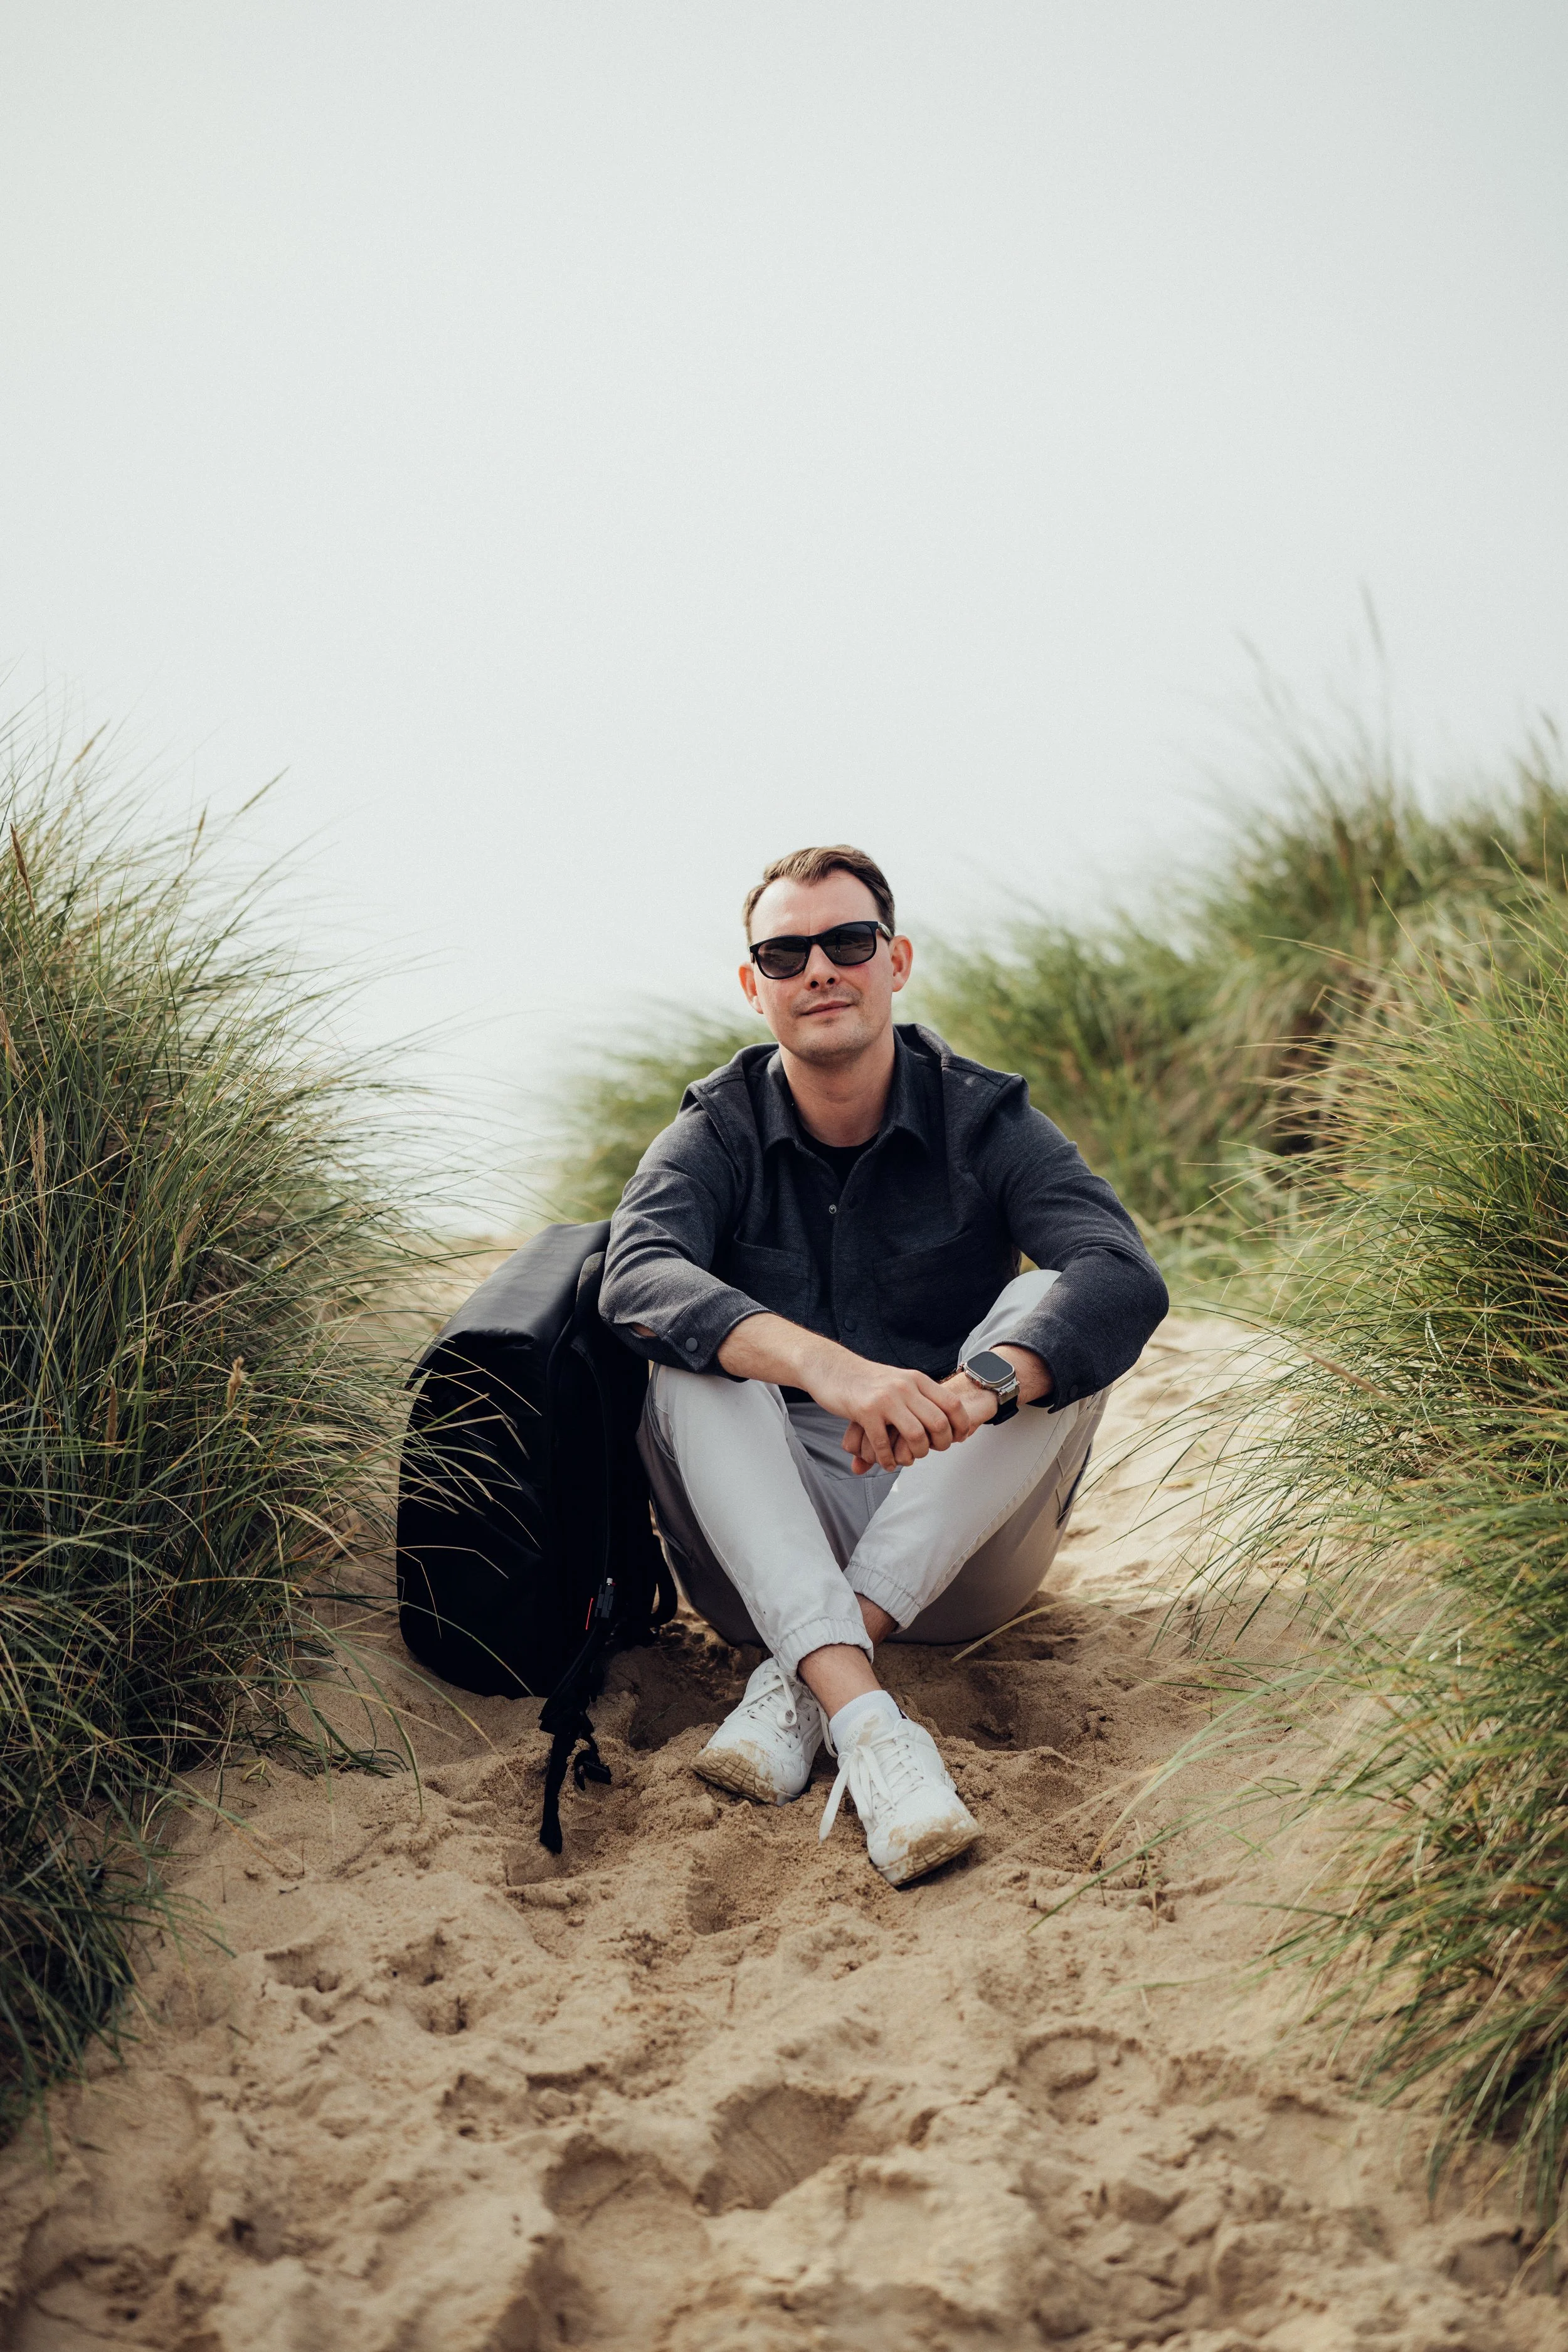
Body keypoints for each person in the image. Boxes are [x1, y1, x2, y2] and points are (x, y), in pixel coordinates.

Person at [599, 845, 1168, 1887]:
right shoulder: (715, 1126)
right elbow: (634, 1274)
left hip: (959, 1561)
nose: (818, 968)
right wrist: (831, 1368)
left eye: (847, 941)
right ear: (754, 985)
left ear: (894, 960)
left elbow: (1125, 1275)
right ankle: (867, 1721)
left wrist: (975, 1388)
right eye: (785, 951)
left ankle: (813, 1667)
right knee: (685, 1353)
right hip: (757, 1564)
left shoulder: (984, 1114)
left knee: (1050, 1306)